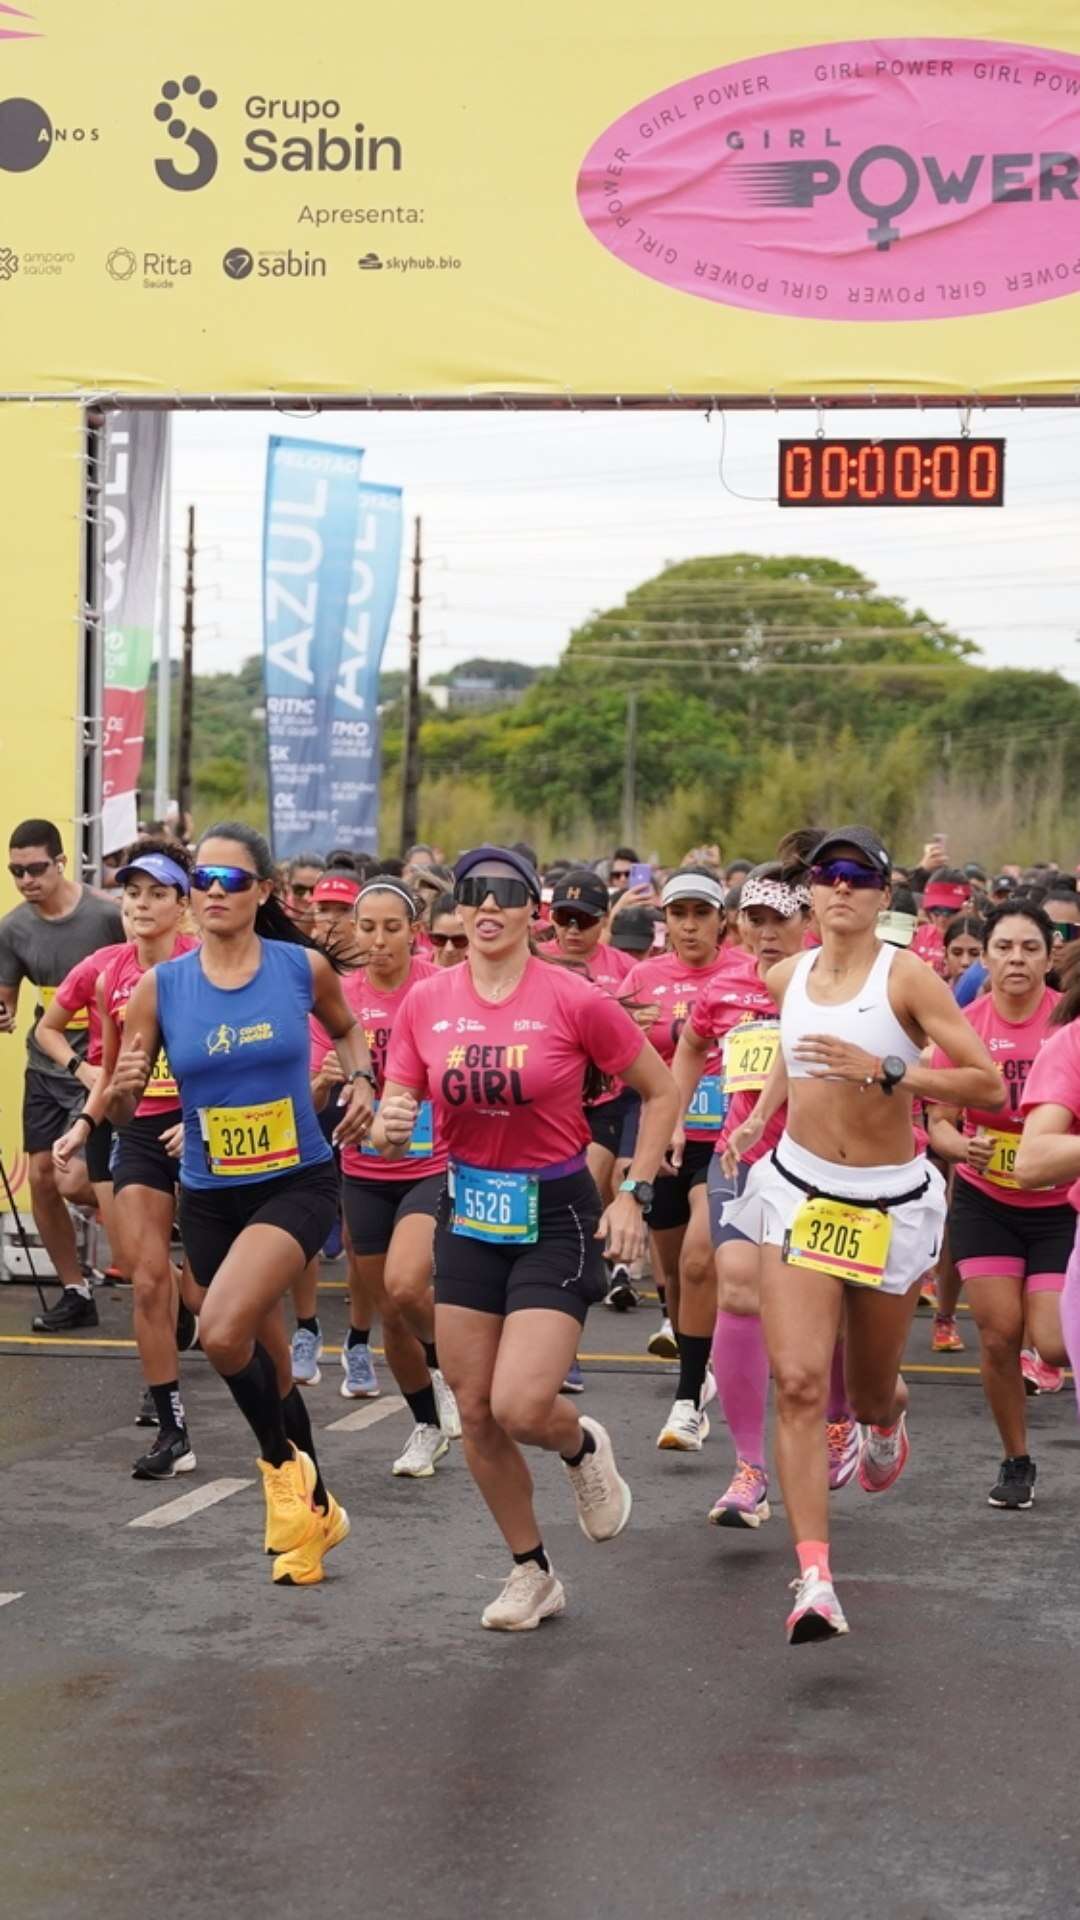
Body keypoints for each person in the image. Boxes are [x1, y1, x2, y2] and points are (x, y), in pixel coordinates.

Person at [375, 843, 678, 1632]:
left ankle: (578, 1446)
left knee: (519, 1404)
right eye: (472, 891)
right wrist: (389, 1115)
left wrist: (635, 1195)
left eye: (505, 893)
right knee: (473, 1411)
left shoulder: (571, 998)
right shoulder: (425, 1000)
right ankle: (532, 1572)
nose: (486, 905)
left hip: (556, 1214)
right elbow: (400, 1092)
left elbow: (660, 1086)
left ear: (531, 912)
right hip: (470, 1211)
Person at [721, 826, 1003, 1645]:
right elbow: (792, 1048)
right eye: (826, 875)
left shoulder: (906, 977)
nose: (839, 887)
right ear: (810, 892)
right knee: (803, 1382)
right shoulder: (786, 973)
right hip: (800, 1189)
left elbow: (982, 1080)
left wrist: (886, 1071)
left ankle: (888, 1417)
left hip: (886, 1202)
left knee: (870, 1389)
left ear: (883, 896)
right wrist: (762, 1121)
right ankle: (815, 1578)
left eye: (858, 876)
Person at [104, 821, 376, 1587]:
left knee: (220, 1335)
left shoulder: (300, 968)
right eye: (204, 882)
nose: (214, 894)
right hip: (211, 1196)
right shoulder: (162, 988)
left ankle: (276, 1474)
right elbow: (130, 1111)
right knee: (272, 1366)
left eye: (231, 881)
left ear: (261, 893)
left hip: (297, 1181)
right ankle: (315, 1510)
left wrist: (361, 1081)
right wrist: (121, 1104)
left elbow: (351, 1033)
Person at [53, 844, 200, 1477]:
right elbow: (110, 1070)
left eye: (156, 894)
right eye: (132, 893)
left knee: (210, 1294)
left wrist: (199, 1124)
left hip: (203, 1130)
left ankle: (277, 1422)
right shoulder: (110, 971)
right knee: (146, 1279)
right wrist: (83, 1124)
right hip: (134, 1127)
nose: (141, 905)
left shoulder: (205, 966)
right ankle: (172, 1429)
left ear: (182, 907)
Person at [311, 875, 461, 1477]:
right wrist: (324, 1081)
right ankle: (425, 1423)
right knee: (390, 1310)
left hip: (431, 1162)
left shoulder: (440, 988)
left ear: (415, 933)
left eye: (391, 928)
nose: (378, 941)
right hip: (362, 1167)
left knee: (404, 1285)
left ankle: (450, 1365)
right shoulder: (339, 997)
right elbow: (305, 1091)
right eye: (366, 928)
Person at [927, 901, 1071, 1509]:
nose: (1017, 959)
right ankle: (1017, 1460)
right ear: (983, 956)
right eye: (1005, 947)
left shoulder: (1065, 1026)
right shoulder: (965, 1026)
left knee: (1053, 1340)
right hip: (986, 1201)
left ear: (1049, 956)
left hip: (1061, 1202)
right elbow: (937, 1121)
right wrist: (962, 1148)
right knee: (996, 1336)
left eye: (1030, 948)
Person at [0, 818, 124, 1331]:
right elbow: (7, 1001)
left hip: (96, 1068)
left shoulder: (106, 916)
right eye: (15, 871)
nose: (27, 880)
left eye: (35, 869)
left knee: (76, 1179)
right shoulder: (13, 928)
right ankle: (75, 1290)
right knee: (45, 1182)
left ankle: (151, 1211)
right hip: (44, 1066)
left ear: (60, 863)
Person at [619, 869, 730, 1360]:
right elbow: (615, 1058)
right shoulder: (643, 978)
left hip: (727, 1136)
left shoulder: (747, 972)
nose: (690, 926)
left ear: (722, 921)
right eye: (679, 914)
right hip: (663, 1132)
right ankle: (684, 1334)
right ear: (664, 921)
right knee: (673, 1258)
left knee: (700, 1256)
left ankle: (704, 1363)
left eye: (701, 914)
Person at [284, 852, 325, 934]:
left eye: (314, 890)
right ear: (287, 886)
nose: (307, 898)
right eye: (299, 889)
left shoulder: (333, 919)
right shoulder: (273, 917)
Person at [429, 892, 469, 969]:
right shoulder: (410, 969)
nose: (449, 949)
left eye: (459, 940)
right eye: (440, 939)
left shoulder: (481, 974)